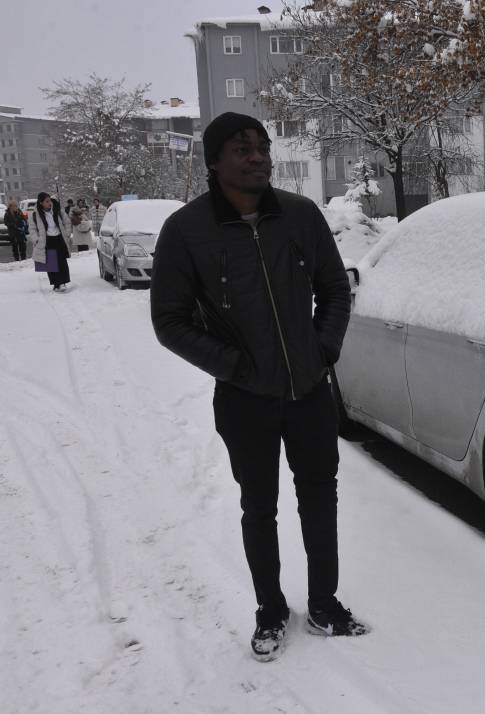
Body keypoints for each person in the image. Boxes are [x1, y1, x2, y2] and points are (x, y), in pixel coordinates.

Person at [150, 112, 357, 662]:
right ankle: (270, 608)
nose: (258, 155)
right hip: (245, 400)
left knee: (320, 498)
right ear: (214, 161)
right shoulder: (187, 231)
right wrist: (237, 368)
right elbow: (169, 321)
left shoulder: (300, 216)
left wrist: (323, 349)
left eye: (262, 145)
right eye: (243, 148)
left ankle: (324, 603)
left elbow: (335, 289)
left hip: (309, 392)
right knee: (258, 506)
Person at [28, 192, 74, 291]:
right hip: (47, 240)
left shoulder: (57, 209)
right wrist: (36, 239)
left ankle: (63, 282)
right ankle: (56, 284)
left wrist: (67, 233)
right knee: (51, 264)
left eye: (50, 201)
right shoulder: (35, 213)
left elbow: (67, 221)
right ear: (41, 203)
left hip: (59, 238)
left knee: (62, 261)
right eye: (46, 201)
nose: (49, 203)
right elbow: (32, 228)